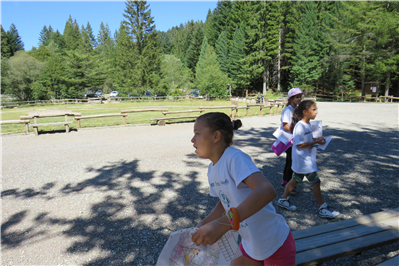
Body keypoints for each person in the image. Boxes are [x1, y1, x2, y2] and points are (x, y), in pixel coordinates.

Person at [191, 112, 296, 266]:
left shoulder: (234, 158)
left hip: (274, 243)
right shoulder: (212, 169)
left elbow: (267, 191)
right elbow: (224, 202)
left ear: (216, 136)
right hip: (251, 243)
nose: (192, 140)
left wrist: (223, 225)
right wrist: (202, 225)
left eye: (197, 134)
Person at [277, 100, 340, 219]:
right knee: (316, 182)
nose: (316, 112)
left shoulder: (307, 125)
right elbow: (299, 144)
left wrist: (318, 139)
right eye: (314, 109)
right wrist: (315, 142)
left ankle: (283, 199)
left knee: (296, 178)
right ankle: (322, 208)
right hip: (303, 160)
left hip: (305, 159)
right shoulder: (300, 126)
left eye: (316, 109)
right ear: (305, 112)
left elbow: (307, 139)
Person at [280, 88, 304, 193]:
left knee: (291, 161)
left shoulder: (297, 109)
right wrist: (296, 131)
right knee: (291, 160)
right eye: (297, 97)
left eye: (300, 97)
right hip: (289, 139)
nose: (299, 99)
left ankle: (287, 181)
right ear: (291, 99)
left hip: (295, 138)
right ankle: (287, 183)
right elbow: (285, 126)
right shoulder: (287, 110)